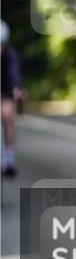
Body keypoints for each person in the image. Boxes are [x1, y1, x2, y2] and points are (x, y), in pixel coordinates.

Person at [1, 20, 25, 177]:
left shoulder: (10, 55)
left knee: (7, 114)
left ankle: (9, 156)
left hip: (5, 92)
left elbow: (14, 74)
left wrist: (17, 89)